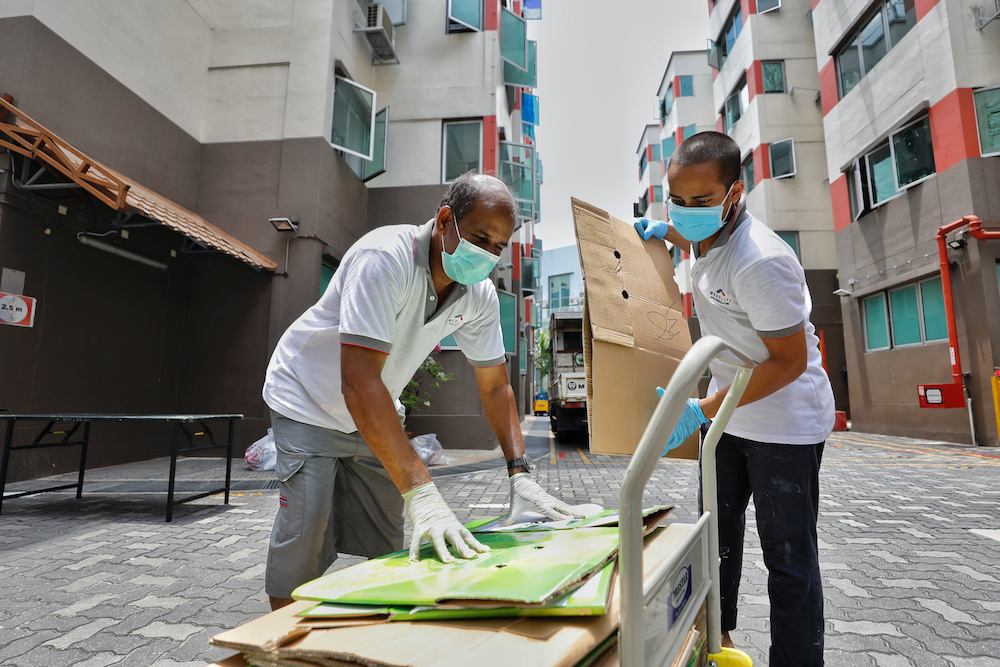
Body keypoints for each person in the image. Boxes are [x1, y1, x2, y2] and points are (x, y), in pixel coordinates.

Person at [262, 171, 580, 611]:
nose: (486, 254)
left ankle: (376, 636)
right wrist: (424, 490)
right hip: (309, 401)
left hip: (372, 414)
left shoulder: (479, 295)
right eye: (479, 237)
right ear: (446, 219)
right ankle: (280, 643)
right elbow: (358, 381)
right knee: (306, 531)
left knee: (388, 539)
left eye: (497, 247)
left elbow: (495, 385)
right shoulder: (384, 257)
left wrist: (519, 470)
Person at [635, 132, 835, 667]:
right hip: (728, 418)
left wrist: (702, 408)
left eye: (702, 202)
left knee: (788, 559)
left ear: (734, 193)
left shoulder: (761, 261)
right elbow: (691, 230)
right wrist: (668, 233)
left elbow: (788, 362)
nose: (687, 211)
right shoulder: (705, 232)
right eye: (677, 200)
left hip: (784, 425)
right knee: (713, 545)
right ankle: (712, 646)